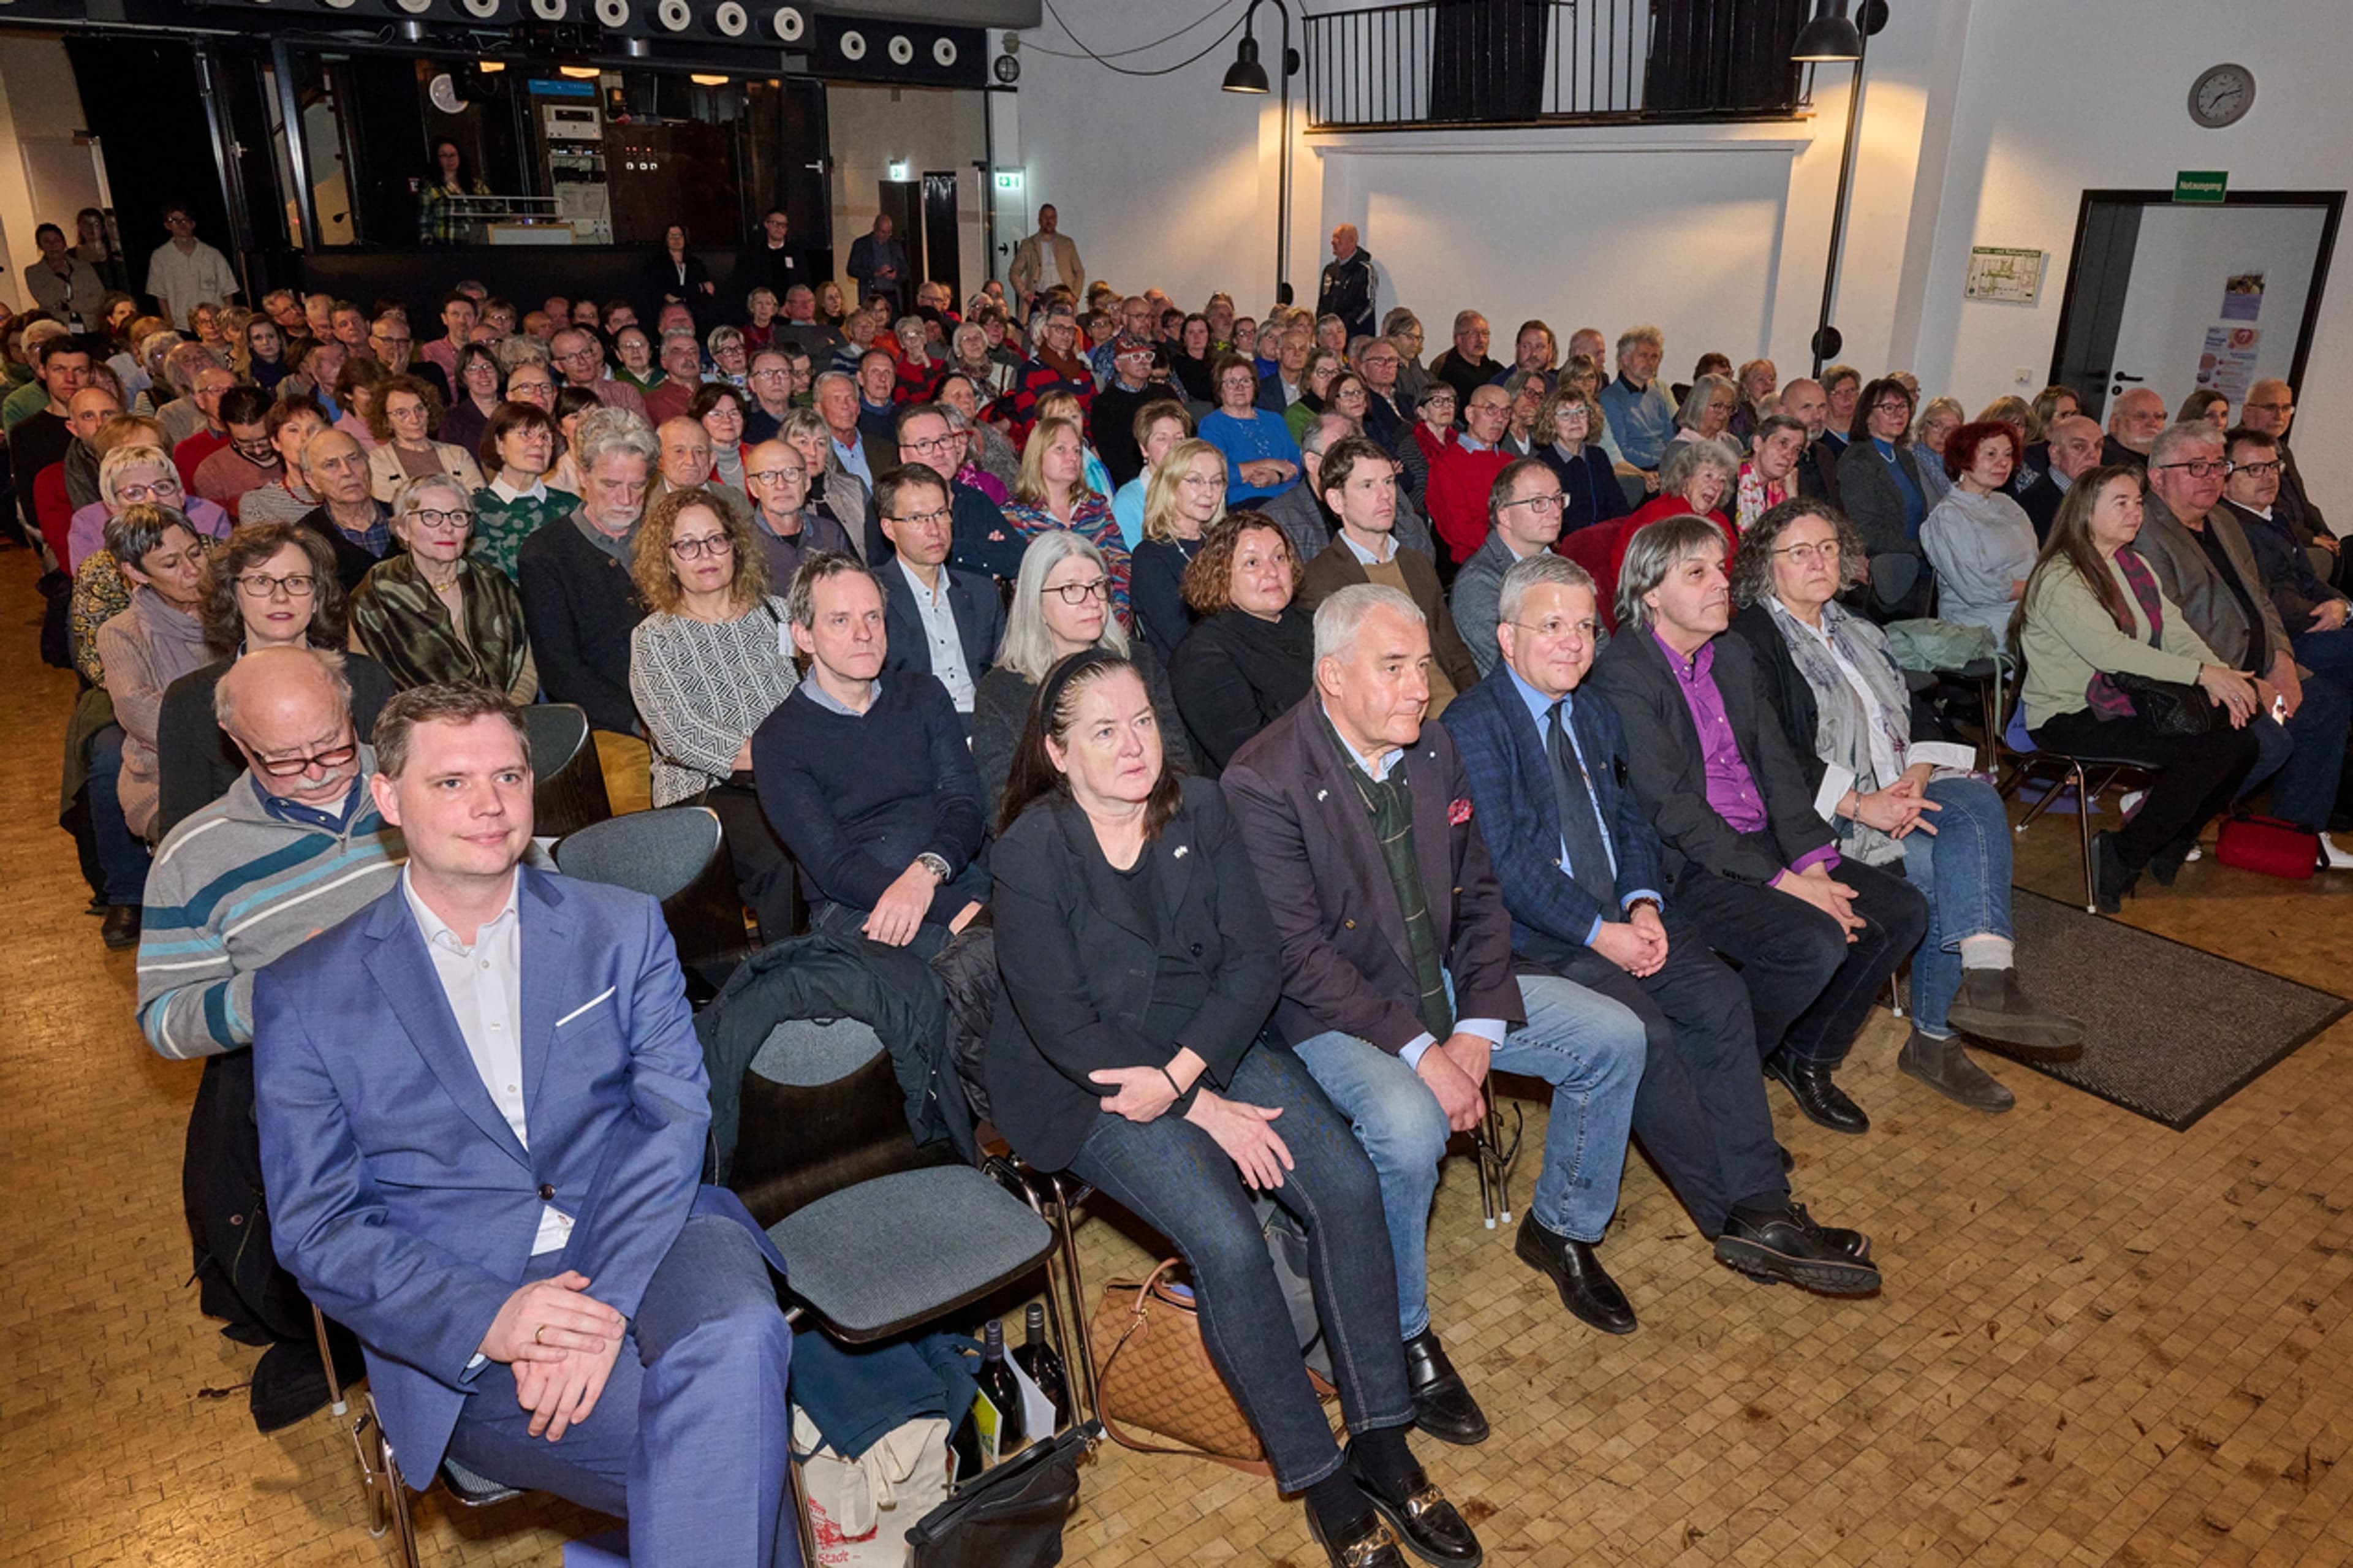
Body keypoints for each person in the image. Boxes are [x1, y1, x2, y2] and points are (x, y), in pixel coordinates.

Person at [253, 683, 798, 1565]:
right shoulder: (306, 992)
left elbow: (672, 1116)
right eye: (452, 781)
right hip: (460, 1294)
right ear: (387, 798)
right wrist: (495, 1317)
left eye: (509, 773)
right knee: (732, 1444)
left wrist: (606, 1301)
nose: (490, 803)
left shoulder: (618, 925)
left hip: (651, 1228)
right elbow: (318, 1225)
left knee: (740, 1338)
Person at [987, 648, 1477, 1568]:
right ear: (1059, 753)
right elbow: (1063, 1023)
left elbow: (1254, 963)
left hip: (1204, 1044)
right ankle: (1321, 1475)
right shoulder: (1030, 851)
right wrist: (1195, 1103)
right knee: (1226, 1239)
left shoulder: (1200, 806)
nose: (1135, 745)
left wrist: (1191, 1077)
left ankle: (1380, 1437)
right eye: (1104, 730)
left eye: (1141, 720)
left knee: (1343, 1182)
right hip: (1092, 1079)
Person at [1223, 583, 1648, 1431]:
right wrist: (1428, 1052)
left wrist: (1480, 1029)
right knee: (1412, 1126)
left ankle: (1561, 1226)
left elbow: (1481, 895)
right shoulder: (1262, 777)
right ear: (1334, 677)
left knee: (1614, 1036)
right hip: (1335, 1009)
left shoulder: (1433, 747)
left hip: (1444, 984)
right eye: (1396, 667)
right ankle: (1398, 1332)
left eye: (1423, 663)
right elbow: (1299, 956)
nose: (1421, 685)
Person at [1442, 550, 1884, 1297]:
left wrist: (1644, 902)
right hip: (1535, 939)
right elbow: (1508, 867)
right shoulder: (1472, 725)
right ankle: (1739, 1221)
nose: (1573, 643)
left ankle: (1767, 1203)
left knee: (1718, 1000)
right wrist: (1602, 932)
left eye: (1584, 627)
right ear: (1507, 637)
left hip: (1624, 912)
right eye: (1551, 626)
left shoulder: (1592, 709)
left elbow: (1631, 820)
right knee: (1645, 1033)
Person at [1730, 499, 2084, 1110]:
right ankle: (1941, 1034)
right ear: (1767, 565)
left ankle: (1985, 977)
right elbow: (1770, 751)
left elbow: (1918, 713)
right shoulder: (1751, 639)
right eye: (1799, 552)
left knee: (1973, 800)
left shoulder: (1857, 627)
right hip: (1821, 817)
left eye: (1828, 548)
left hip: (1897, 790)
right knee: (1940, 870)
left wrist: (1915, 779)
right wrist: (1863, 805)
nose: (1818, 561)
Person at [1589, 516, 1929, 1134]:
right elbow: (1675, 812)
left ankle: (1805, 1056)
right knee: (1811, 942)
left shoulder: (1732, 656)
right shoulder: (1625, 675)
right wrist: (1793, 886)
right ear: (1650, 595)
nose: (1722, 584)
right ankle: (1712, 1083)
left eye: (1720, 568)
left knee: (1899, 912)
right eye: (1698, 573)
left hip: (1761, 841)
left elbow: (1779, 770)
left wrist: (1816, 866)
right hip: (1686, 864)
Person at [140, 648, 406, 1430]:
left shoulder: (415, 781)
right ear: (235, 743)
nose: (321, 772)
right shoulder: (195, 855)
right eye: (284, 761)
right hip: (333, 1085)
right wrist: (280, 989)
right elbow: (164, 1020)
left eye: (331, 743)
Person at [2017, 468, 2262, 909]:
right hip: (2067, 715)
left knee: (2243, 744)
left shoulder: (2132, 565)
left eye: (2138, 502)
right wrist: (2204, 677)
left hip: (2123, 701)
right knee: (2204, 752)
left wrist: (2221, 674)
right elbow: (2112, 653)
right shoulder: (2062, 577)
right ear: (2086, 513)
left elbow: (2174, 630)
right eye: (2122, 503)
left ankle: (2169, 841)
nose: (2136, 512)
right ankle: (2123, 851)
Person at [751, 552, 987, 957]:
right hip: (857, 906)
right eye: (840, 620)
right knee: (976, 961)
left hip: (951, 874)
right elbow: (835, 866)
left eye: (873, 617)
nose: (864, 633)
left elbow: (965, 803)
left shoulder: (924, 695)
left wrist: (925, 876)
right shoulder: (779, 740)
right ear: (803, 636)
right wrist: (949, 908)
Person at [2132, 422, 2347, 852]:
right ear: (2157, 478)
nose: (2212, 476)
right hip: (2194, 676)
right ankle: (2163, 812)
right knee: (2268, 741)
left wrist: (2282, 661)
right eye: (2196, 467)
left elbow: (2261, 601)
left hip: (2258, 662)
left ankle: (2293, 839)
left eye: (2218, 466)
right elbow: (2171, 629)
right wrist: (2248, 683)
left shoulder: (2224, 522)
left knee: (2326, 706)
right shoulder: (2145, 533)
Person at [627, 486, 802, 940]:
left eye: (716, 540)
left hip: (792, 775)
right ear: (667, 559)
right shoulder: (655, 637)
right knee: (782, 854)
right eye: (687, 544)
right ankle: (798, 973)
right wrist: (780, 759)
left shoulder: (776, 613)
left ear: (735, 546)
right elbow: (681, 736)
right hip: (704, 792)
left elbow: (814, 697)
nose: (704, 554)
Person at [154, 521, 398, 837]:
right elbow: (181, 828)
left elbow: (395, 789)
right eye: (260, 581)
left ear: (317, 597)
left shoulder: (367, 678)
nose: (280, 596)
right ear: (233, 594)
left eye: (297, 582)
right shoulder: (189, 699)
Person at [90, 506, 212, 939]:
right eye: (171, 563)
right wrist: (233, 727)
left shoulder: (235, 610)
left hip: (249, 762)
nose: (193, 569)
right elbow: (142, 713)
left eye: (196, 552)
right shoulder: (121, 633)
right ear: (135, 572)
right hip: (163, 776)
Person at [1296, 434, 1479, 718]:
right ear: (1336, 500)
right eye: (1367, 486)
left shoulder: (1416, 562)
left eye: (1389, 482)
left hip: (1454, 714)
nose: (1385, 495)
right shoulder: (1319, 580)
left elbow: (1455, 654)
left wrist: (1476, 711)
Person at [518, 407, 657, 735]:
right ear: (583, 477)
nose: (625, 499)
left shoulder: (666, 540)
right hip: (605, 727)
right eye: (610, 484)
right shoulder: (546, 552)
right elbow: (561, 671)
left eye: (637, 486)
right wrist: (641, 724)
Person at [349, 475, 534, 701]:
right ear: (403, 529)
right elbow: (368, 683)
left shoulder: (494, 584)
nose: (447, 528)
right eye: (431, 517)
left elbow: (525, 667)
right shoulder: (377, 592)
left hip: (502, 718)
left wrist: (504, 716)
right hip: (417, 727)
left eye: (457, 517)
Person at [1169, 515, 1317, 776]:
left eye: (1279, 557)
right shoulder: (1203, 654)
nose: (1272, 571)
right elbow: (1254, 759)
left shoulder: (1317, 623)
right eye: (1252, 563)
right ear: (1221, 576)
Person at [2224, 423, 2353, 701]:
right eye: (2254, 470)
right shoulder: (2230, 528)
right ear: (2225, 476)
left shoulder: (2276, 518)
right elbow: (2265, 598)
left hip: (2313, 627)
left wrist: (2344, 607)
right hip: (2285, 638)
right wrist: (2325, 615)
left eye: (2273, 466)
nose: (2269, 477)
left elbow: (2310, 580)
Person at [876, 461, 1002, 729]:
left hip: (983, 724)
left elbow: (1004, 675)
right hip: (912, 729)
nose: (934, 529)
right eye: (917, 519)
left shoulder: (982, 592)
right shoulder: (873, 594)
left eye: (941, 514)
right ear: (889, 529)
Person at [1002, 414, 1132, 622]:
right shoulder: (1014, 515)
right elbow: (1024, 586)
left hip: (1106, 619)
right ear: (1038, 455)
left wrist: (1116, 617)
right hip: (1048, 629)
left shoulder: (1095, 505)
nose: (1072, 458)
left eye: (1077, 451)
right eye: (1060, 449)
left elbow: (1122, 564)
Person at [1920, 420, 2039, 637]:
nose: (2003, 463)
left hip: (2030, 612)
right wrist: (2040, 588)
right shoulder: (1948, 517)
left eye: (2008, 454)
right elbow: (1976, 590)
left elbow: (2034, 561)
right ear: (1964, 460)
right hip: (1981, 626)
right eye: (1991, 455)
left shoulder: (2007, 504)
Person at [1452, 457, 1568, 677]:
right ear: (1504, 515)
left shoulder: (1563, 567)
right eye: (1539, 502)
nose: (1555, 512)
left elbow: (1597, 638)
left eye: (1557, 499)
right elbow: (1517, 667)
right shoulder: (1479, 583)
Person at [1131, 438, 1226, 664]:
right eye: (1195, 481)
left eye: (1216, 482)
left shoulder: (1222, 544)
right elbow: (1182, 640)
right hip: (1190, 673)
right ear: (1170, 486)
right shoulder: (1150, 557)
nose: (1209, 492)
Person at [2241, 379, 2333, 578]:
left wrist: (2324, 532)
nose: (2279, 416)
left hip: (2298, 541)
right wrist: (2310, 539)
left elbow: (2303, 504)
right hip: (2270, 544)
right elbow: (2256, 512)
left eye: (2286, 408)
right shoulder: (2237, 451)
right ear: (2247, 411)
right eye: (2271, 407)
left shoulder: (2283, 450)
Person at [1423, 383, 1518, 564]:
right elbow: (1458, 530)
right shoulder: (1446, 464)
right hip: (1477, 562)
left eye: (1506, 412)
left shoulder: (1511, 463)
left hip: (1516, 553)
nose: (1499, 419)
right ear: (1470, 414)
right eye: (1491, 410)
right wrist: (1511, 545)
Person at [290, 429, 392, 592]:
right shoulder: (304, 539)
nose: (347, 471)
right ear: (312, 481)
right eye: (331, 465)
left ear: (368, 464)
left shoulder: (406, 518)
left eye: (353, 459)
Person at [1200, 353, 1303, 510]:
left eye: (1246, 381)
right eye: (1231, 382)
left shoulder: (1274, 420)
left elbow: (1297, 462)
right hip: (1245, 503)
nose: (1239, 387)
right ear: (1220, 390)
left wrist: (1277, 477)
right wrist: (1269, 463)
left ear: (1255, 386)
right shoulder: (1212, 425)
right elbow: (1219, 473)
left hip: (1289, 498)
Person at [365, 374, 485, 502]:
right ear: (387, 421)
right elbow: (390, 510)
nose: (415, 419)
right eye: (401, 413)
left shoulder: (458, 454)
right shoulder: (376, 461)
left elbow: (479, 502)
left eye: (419, 409)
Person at [1534, 384, 1630, 537]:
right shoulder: (1543, 466)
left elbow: (1619, 508)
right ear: (1551, 423)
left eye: (1581, 412)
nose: (1575, 419)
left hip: (1606, 539)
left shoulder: (1598, 456)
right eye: (1566, 414)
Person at [1594, 326, 1676, 479]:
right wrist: (1662, 462)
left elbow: (1671, 440)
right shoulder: (1610, 398)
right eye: (1643, 356)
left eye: (1654, 357)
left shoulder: (1657, 395)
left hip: (1665, 469)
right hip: (1637, 473)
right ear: (1625, 359)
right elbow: (1621, 450)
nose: (1650, 363)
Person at [143, 201, 239, 330]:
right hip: (182, 325)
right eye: (175, 221)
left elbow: (228, 291)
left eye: (185, 220)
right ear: (167, 225)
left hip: (215, 324)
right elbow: (160, 296)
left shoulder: (213, 255)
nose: (181, 225)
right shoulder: (160, 257)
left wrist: (227, 321)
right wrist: (170, 323)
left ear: (193, 224)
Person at [2017, 413, 2105, 541]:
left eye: (2098, 446)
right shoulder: (2034, 504)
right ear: (2055, 454)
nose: (2093, 455)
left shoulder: (2104, 497)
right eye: (2079, 447)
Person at [25, 221, 105, 327]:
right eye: (47, 242)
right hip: (57, 327)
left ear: (64, 243)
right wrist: (82, 300)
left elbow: (99, 299)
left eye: (56, 241)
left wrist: (65, 305)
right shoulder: (33, 272)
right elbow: (47, 300)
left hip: (90, 325)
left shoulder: (84, 266)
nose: (52, 246)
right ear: (40, 246)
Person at [1009, 204, 1085, 316]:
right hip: (1039, 298)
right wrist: (1026, 294)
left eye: (1052, 218)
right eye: (1046, 217)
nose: (1049, 221)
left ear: (1056, 220)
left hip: (1063, 297)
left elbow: (1079, 272)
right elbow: (1014, 273)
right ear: (1039, 219)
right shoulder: (1028, 244)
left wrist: (1075, 296)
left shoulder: (1067, 244)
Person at [415, 140, 490, 243]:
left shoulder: (476, 184)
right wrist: (428, 244)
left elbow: (494, 206)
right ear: (437, 159)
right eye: (444, 156)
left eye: (453, 155)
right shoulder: (430, 186)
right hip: (446, 246)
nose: (450, 159)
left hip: (476, 243)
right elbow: (425, 219)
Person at [1316, 223, 1380, 341]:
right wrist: (1322, 327)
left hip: (1356, 339)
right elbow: (1322, 303)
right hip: (1329, 339)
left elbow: (1368, 307)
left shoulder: (1365, 270)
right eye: (1333, 238)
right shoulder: (1329, 270)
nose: (1333, 242)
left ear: (1352, 241)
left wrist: (1343, 328)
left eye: (1338, 238)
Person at [736, 207, 810, 304]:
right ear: (766, 224)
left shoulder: (796, 253)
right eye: (775, 224)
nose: (779, 228)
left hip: (790, 307)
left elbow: (804, 282)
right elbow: (744, 282)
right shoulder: (752, 253)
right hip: (762, 306)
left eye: (783, 225)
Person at [1428, 310, 1502, 406]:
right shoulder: (1450, 371)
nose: (1481, 339)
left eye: (1485, 333)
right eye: (1474, 334)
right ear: (1459, 339)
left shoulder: (1492, 366)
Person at [847, 213, 911, 316]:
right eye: (883, 232)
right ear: (874, 228)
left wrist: (896, 275)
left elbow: (906, 270)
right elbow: (852, 270)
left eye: (889, 233)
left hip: (892, 296)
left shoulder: (895, 245)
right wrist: (874, 274)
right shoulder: (861, 244)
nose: (886, 236)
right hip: (871, 295)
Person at [2104, 387, 2167, 468]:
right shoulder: (2105, 460)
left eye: (2158, 417)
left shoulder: (2165, 459)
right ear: (2114, 422)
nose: (2153, 423)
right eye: (2141, 416)